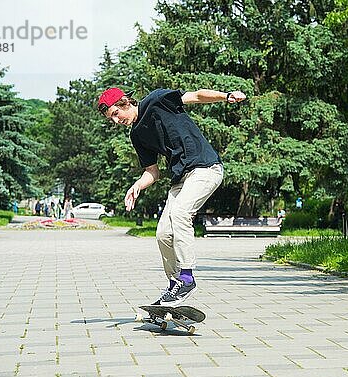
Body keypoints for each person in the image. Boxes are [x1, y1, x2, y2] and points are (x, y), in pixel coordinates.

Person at [98, 87, 246, 306]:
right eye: (111, 119)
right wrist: (137, 186)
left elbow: (195, 96)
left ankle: (186, 278)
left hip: (206, 168)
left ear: (124, 103)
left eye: (115, 114)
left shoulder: (157, 100)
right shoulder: (136, 135)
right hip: (181, 178)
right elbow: (152, 172)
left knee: (180, 214)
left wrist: (226, 96)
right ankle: (175, 284)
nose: (116, 121)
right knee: (163, 234)